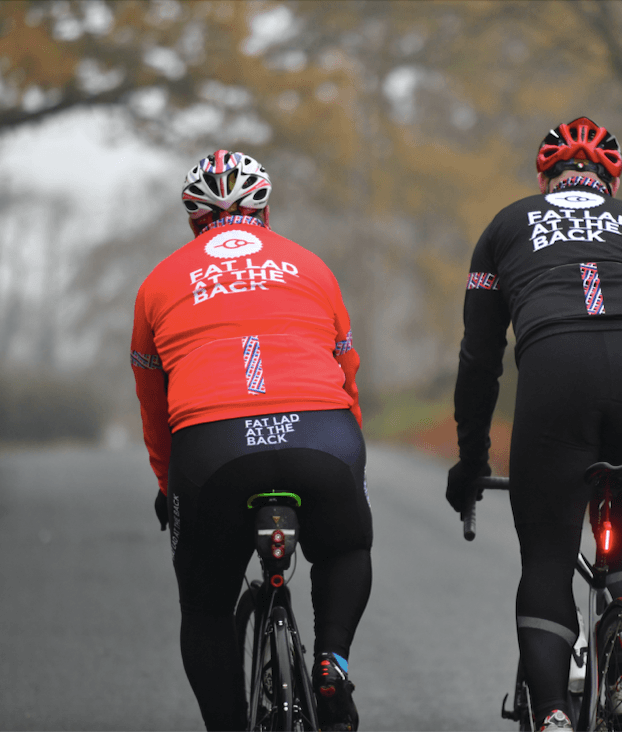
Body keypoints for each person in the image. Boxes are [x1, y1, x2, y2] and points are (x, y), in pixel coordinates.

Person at [445, 118, 622, 731]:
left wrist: (472, 460)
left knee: (549, 553)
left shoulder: (506, 225)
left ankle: (552, 711)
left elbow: (479, 359)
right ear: (611, 178)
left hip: (557, 369)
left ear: (544, 177)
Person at [130, 150, 370, 731]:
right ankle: (332, 661)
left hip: (212, 451)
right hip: (323, 435)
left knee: (206, 606)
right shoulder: (311, 267)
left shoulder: (159, 282)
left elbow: (153, 403)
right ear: (264, 209)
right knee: (343, 549)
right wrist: (348, 473)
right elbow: (348, 373)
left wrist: (168, 484)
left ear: (193, 220)